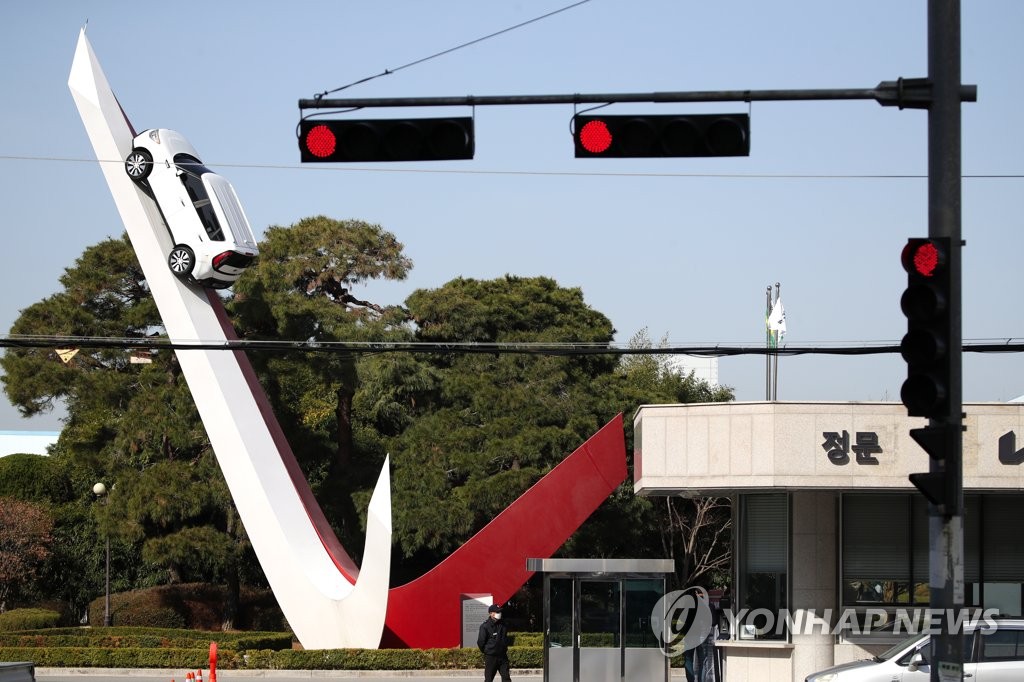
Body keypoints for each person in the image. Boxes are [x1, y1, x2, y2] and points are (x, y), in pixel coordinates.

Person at [477, 603, 511, 682]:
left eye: (500, 612)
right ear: (491, 613)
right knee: (489, 679)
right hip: (491, 657)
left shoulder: (503, 624)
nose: (499, 614)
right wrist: (487, 651)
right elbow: (480, 642)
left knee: (506, 678)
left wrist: (504, 648)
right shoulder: (485, 626)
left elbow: (505, 638)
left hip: (503, 656)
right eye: (497, 612)